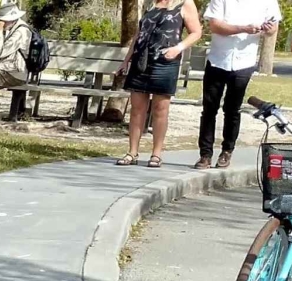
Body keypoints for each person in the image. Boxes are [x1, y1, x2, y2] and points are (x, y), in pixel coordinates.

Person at [117, 0, 202, 168]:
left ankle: (156, 153)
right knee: (137, 109)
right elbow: (139, 34)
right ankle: (132, 152)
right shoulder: (150, 4)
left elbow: (196, 32)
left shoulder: (184, 3)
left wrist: (178, 48)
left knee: (160, 109)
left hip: (165, 62)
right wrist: (126, 60)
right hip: (141, 60)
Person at [196, 0, 280, 168]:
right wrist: (243, 28)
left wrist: (270, 30)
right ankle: (205, 154)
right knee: (209, 108)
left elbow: (274, 27)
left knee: (232, 108)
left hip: (244, 61)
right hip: (218, 59)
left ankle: (227, 150)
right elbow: (215, 25)